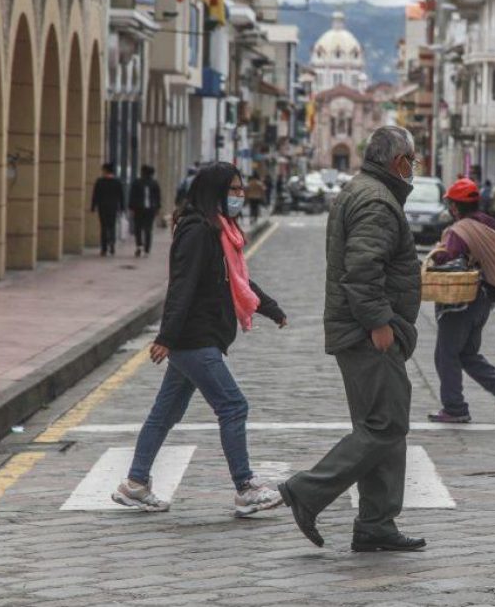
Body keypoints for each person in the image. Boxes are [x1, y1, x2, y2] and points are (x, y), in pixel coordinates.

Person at [278, 126, 425, 553]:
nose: (413, 169)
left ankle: (376, 523)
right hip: (369, 333)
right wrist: (380, 322)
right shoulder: (377, 201)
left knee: (382, 426)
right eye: (411, 161)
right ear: (399, 162)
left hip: (363, 329)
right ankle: (308, 491)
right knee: (386, 425)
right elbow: (362, 270)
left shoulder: (363, 190)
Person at [112, 162, 288, 515]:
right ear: (213, 191)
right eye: (233, 190)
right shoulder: (198, 231)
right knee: (233, 406)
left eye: (241, 190)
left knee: (165, 413)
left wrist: (271, 309)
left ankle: (135, 483)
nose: (239, 196)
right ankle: (245, 487)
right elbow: (182, 285)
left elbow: (238, 281)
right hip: (194, 338)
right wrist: (167, 336)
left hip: (198, 337)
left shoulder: (220, 231)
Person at [427, 178, 495, 423]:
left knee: (446, 354)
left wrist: (438, 254)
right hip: (484, 300)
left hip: (461, 300)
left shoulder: (460, 230)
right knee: (466, 354)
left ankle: (455, 408)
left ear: (455, 207)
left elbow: (446, 258)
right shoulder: (488, 225)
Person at [91, 163, 125, 256]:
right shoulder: (117, 182)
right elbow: (121, 196)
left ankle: (104, 248)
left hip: (102, 207)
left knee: (104, 227)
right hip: (113, 207)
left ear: (105, 170)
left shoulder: (100, 181)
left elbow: (95, 195)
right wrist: (122, 207)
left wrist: (93, 206)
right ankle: (112, 244)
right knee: (112, 225)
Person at [128, 165, 162, 258]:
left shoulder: (138, 182)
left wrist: (131, 208)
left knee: (139, 228)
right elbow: (158, 197)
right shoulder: (153, 183)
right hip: (149, 209)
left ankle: (140, 246)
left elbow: (132, 195)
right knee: (147, 229)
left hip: (140, 209)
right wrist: (158, 208)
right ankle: (146, 249)